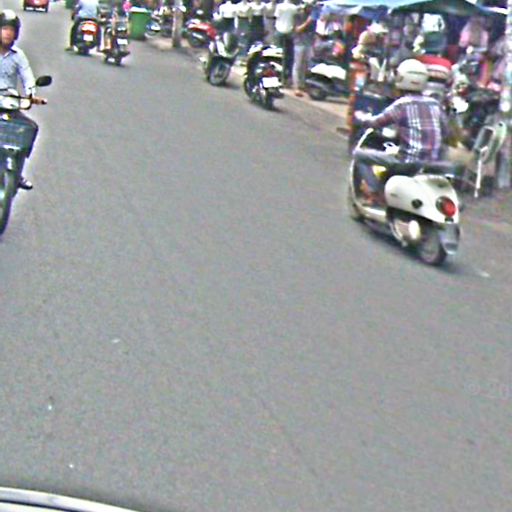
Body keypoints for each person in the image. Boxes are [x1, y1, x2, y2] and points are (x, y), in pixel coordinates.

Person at [355, 59, 449, 205]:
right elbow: (445, 130)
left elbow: (376, 122)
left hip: (406, 162)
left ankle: (375, 192)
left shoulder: (401, 104)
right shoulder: (434, 104)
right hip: (432, 163)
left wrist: (361, 117)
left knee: (359, 155)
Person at [0, 10, 47, 190]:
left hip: (9, 102)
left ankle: (17, 171)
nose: (8, 33)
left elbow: (27, 76)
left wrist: (31, 95)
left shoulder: (18, 55)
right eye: (4, 29)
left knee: (30, 128)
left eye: (11, 30)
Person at [291, 0, 316, 97]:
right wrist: (307, 22)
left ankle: (303, 85)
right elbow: (297, 29)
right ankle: (296, 86)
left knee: (306, 66)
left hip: (309, 43)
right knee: (298, 65)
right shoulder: (298, 15)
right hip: (299, 43)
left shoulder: (312, 17)